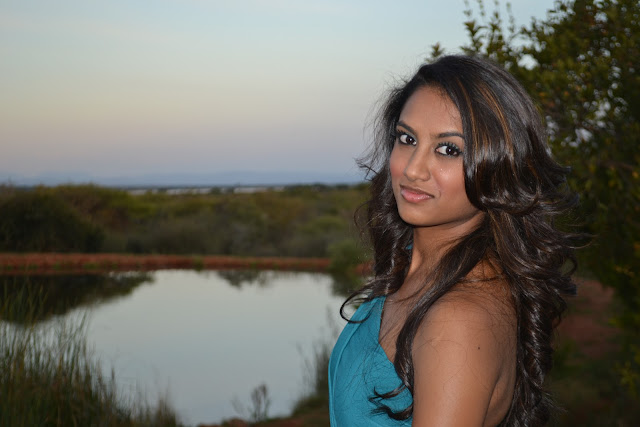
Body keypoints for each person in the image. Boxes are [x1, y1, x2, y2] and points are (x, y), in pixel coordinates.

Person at [328, 55, 579, 426]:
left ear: (499, 166)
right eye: (407, 138)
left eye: (448, 149)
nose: (413, 169)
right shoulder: (416, 265)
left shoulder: (456, 321)